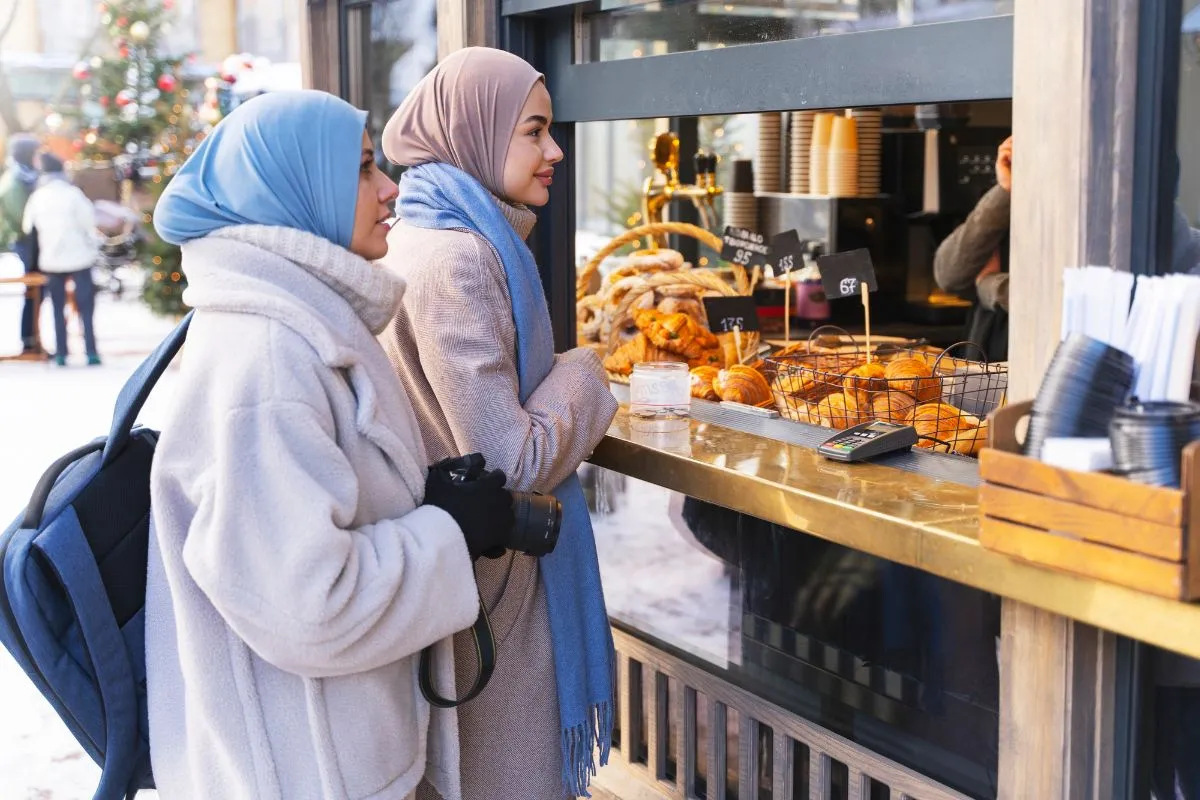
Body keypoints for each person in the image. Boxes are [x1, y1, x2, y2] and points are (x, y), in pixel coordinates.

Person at [145, 90, 516, 800]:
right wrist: (448, 531)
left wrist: (426, 502)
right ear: (297, 186)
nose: (390, 189)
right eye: (364, 169)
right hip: (307, 776)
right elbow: (308, 605)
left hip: (331, 760)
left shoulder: (302, 326)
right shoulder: (268, 358)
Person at [379, 47, 620, 799]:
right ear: (476, 133)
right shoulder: (458, 259)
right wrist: (587, 369)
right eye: (534, 131)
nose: (555, 151)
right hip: (491, 588)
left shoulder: (426, 236)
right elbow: (515, 457)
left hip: (467, 576)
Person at [933, 135, 1011, 362]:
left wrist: (988, 284)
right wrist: (1004, 190)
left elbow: (1050, 297)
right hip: (982, 359)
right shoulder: (1008, 198)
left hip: (1028, 364)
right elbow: (948, 273)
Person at [22, 153, 101, 366]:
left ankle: (61, 353)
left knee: (57, 307)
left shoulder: (37, 197)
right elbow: (88, 224)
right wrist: (93, 247)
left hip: (51, 259)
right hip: (80, 257)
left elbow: (27, 227)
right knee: (85, 306)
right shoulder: (73, 194)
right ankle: (91, 351)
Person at [0, 134, 41, 354]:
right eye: (35, 152)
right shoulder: (15, 180)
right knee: (33, 289)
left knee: (36, 291)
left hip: (29, 240)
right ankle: (28, 340)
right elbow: (21, 218)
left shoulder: (25, 177)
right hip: (23, 242)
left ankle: (32, 338)